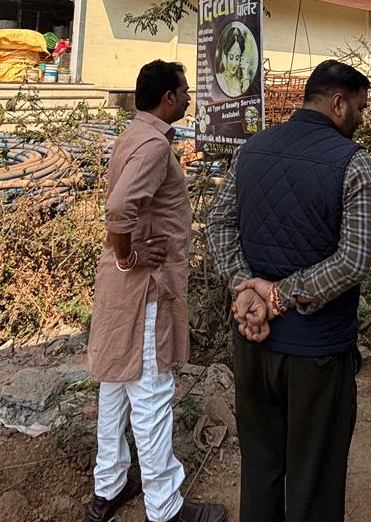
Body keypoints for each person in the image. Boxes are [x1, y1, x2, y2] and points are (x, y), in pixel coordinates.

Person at [206, 59, 371, 522]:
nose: (360, 119)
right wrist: (277, 296)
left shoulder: (252, 148)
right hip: (316, 355)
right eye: (359, 108)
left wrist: (244, 288)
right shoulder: (353, 161)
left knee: (260, 467)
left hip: (252, 346)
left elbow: (218, 223)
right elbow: (353, 260)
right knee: (314, 477)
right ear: (338, 103)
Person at [85, 61, 226, 522]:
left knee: (116, 385)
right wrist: (129, 255)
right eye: (184, 91)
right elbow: (119, 209)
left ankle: (109, 487)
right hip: (144, 289)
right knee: (151, 392)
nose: (188, 98)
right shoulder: (151, 146)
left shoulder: (134, 135)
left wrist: (124, 256)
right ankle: (165, 508)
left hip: (122, 288)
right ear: (168, 97)